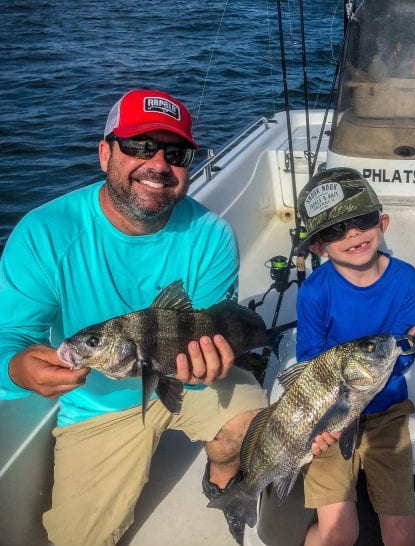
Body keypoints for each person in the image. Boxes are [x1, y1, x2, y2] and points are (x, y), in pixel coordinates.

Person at [0, 88, 336, 546]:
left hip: (192, 378)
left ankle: (221, 472)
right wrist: (19, 368)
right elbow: (9, 337)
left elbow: (208, 326)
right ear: (105, 153)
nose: (157, 163)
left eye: (175, 152)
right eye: (138, 146)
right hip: (99, 407)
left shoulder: (212, 235)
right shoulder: (44, 233)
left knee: (255, 432)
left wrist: (216, 364)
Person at [293, 167, 415, 546]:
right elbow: (310, 363)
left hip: (386, 412)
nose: (352, 233)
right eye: (335, 229)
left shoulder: (406, 280)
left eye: (361, 220)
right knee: (340, 532)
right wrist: (320, 423)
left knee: (403, 535)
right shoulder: (314, 292)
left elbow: (400, 353)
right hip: (330, 414)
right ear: (318, 246)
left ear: (381, 222)